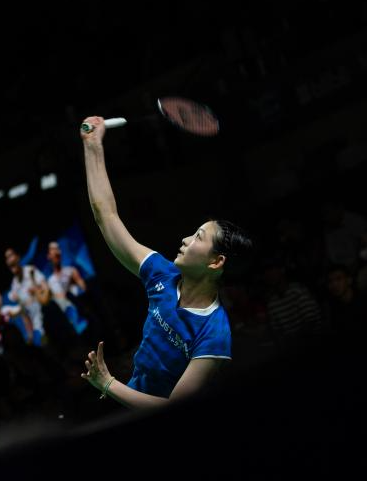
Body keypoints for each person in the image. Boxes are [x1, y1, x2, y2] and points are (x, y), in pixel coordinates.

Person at [77, 115, 254, 408]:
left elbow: (175, 408)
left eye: (198, 237)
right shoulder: (163, 275)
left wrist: (108, 383)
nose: (185, 239)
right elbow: (106, 216)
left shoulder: (214, 332)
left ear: (216, 262)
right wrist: (93, 146)